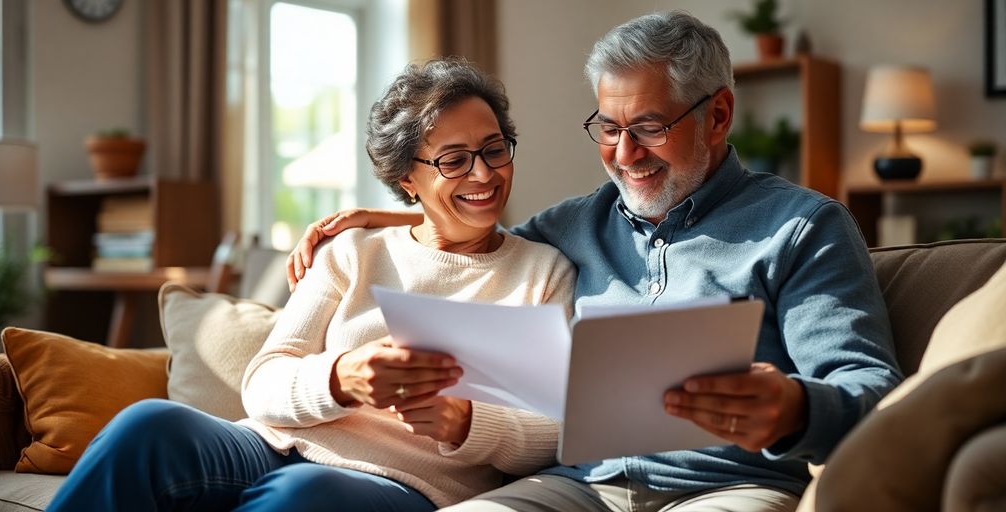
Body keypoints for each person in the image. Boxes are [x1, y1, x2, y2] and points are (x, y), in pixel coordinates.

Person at [285, 11, 903, 512]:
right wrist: (390, 215)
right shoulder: (576, 223)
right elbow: (474, 235)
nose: (625, 153)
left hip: (728, 486)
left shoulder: (802, 227)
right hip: (580, 486)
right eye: (608, 128)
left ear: (718, 116)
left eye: (650, 127)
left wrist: (796, 409)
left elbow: (876, 394)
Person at [48, 58, 576, 512]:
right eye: (454, 160)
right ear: (406, 179)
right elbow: (264, 381)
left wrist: (465, 422)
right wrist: (340, 378)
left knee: (304, 494)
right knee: (148, 426)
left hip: (401, 482)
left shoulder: (543, 273)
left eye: (494, 149)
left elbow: (557, 427)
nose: (483, 175)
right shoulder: (352, 252)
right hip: (269, 444)